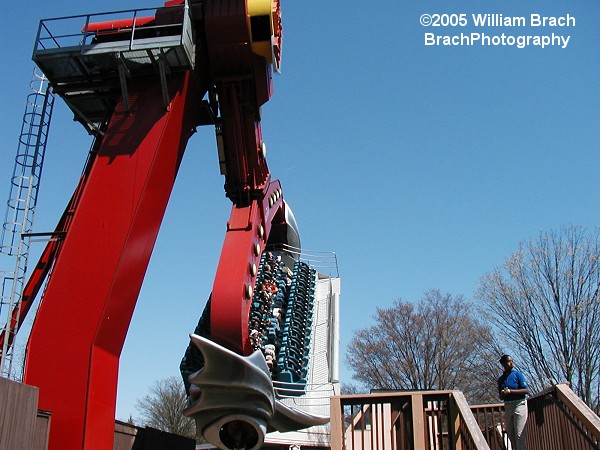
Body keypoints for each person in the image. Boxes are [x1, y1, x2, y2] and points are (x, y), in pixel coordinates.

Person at [498, 354, 529, 450]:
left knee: (519, 435)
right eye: (508, 361)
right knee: (511, 435)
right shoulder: (501, 379)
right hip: (508, 406)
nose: (511, 363)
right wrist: (503, 394)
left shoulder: (517, 374)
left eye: (512, 361)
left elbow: (526, 390)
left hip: (520, 404)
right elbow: (500, 396)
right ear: (503, 363)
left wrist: (511, 391)